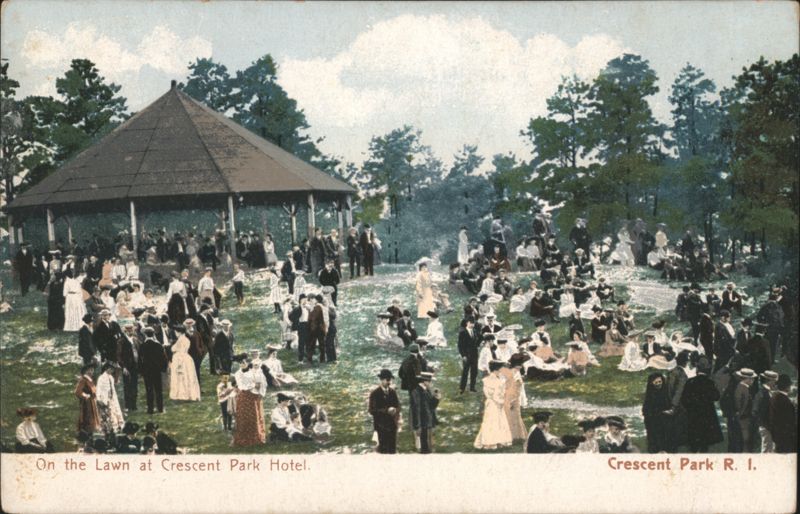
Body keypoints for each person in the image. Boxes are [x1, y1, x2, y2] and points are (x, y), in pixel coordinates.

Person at [681, 357, 723, 452]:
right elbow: (716, 397)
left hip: (693, 416)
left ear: (697, 369)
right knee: (705, 443)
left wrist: (690, 408)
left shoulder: (690, 382)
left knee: (693, 442)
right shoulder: (709, 383)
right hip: (707, 416)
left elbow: (683, 399)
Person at [474, 360, 513, 450]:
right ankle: (490, 442)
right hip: (494, 403)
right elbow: (495, 394)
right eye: (501, 368)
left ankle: (498, 440)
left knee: (499, 422)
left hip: (496, 402)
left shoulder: (498, 379)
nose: (502, 370)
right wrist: (502, 401)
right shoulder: (491, 380)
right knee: (492, 422)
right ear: (497, 369)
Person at [233, 360, 267, 446]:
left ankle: (257, 437)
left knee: (255, 415)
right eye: (240, 363)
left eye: (244, 362)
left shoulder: (253, 372)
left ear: (247, 363)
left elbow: (261, 383)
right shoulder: (238, 373)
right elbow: (241, 386)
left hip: (254, 396)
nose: (242, 364)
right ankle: (244, 437)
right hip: (244, 396)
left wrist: (260, 392)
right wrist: (253, 385)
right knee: (244, 416)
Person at [368, 369, 401, 454]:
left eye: (390, 380)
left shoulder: (392, 392)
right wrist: (386, 411)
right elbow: (372, 410)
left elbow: (398, 406)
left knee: (392, 449)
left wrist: (395, 410)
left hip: (392, 426)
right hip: (381, 427)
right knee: (383, 450)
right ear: (382, 380)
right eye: (387, 380)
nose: (389, 382)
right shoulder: (375, 394)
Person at [138, 326, 168, 415]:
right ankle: (160, 408)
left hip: (147, 371)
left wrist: (141, 371)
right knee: (158, 390)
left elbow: (140, 360)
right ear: (153, 334)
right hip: (157, 370)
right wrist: (163, 368)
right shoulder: (158, 345)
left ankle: (150, 409)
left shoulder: (142, 346)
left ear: (145, 335)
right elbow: (164, 358)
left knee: (149, 390)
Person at [409, 372, 440, 453]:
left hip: (428, 422)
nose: (431, 383)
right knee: (423, 446)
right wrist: (417, 426)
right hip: (422, 424)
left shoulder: (427, 390)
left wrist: (436, 398)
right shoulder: (416, 392)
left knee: (428, 445)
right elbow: (416, 410)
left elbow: (431, 406)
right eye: (430, 381)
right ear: (425, 381)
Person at [169, 327, 201, 401]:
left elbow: (180, 352)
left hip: (181, 359)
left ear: (179, 332)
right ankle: (186, 393)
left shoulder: (181, 340)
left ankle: (183, 394)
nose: (175, 334)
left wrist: (179, 364)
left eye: (176, 332)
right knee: (187, 377)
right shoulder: (185, 339)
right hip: (186, 358)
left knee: (182, 377)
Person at [501, 354, 528, 441]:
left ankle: (517, 435)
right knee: (510, 414)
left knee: (516, 415)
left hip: (515, 397)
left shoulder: (517, 373)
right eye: (519, 365)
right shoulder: (508, 373)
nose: (520, 367)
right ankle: (510, 435)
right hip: (509, 396)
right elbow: (504, 385)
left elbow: (520, 388)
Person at [768, 374, 797, 453]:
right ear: (787, 386)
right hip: (786, 437)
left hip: (777, 435)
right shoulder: (785, 401)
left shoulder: (775, 397)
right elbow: (790, 420)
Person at [730, 368, 756, 452]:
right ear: (747, 379)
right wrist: (740, 414)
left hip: (744, 417)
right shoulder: (742, 388)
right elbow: (739, 404)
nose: (753, 380)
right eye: (752, 379)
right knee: (745, 439)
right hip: (743, 418)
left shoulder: (743, 387)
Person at [752, 370, 778, 453]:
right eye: (774, 381)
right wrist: (764, 424)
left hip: (768, 425)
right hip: (765, 425)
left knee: (770, 448)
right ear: (769, 381)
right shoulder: (762, 393)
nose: (775, 383)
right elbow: (757, 411)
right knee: (766, 448)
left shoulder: (767, 392)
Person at [95, 362, 125, 435]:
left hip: (112, 398)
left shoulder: (111, 377)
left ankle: (117, 426)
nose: (111, 371)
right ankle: (108, 429)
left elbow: (113, 388)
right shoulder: (101, 378)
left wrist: (114, 397)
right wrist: (98, 398)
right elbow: (98, 388)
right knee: (106, 414)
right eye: (110, 369)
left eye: (112, 369)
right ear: (106, 368)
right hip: (105, 398)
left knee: (115, 412)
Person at [116, 323, 140, 412]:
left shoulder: (135, 340)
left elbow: (139, 351)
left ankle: (134, 405)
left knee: (134, 385)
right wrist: (123, 367)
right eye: (128, 330)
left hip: (135, 365)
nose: (130, 331)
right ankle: (127, 405)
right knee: (127, 386)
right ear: (125, 331)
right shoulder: (121, 341)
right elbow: (119, 355)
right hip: (127, 366)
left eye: (131, 329)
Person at [74, 364, 100, 435]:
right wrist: (86, 396)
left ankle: (90, 433)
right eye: (89, 370)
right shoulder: (83, 380)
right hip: (86, 403)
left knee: (92, 419)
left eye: (92, 370)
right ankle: (85, 434)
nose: (91, 372)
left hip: (92, 402)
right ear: (85, 371)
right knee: (87, 419)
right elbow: (77, 391)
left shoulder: (90, 380)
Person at [458, 318, 481, 394]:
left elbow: (481, 337)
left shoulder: (474, 331)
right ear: (467, 323)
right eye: (471, 323)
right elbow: (460, 345)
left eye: (473, 323)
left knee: (474, 371)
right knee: (465, 371)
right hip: (467, 355)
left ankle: (472, 387)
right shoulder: (463, 332)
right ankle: (462, 388)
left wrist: (477, 344)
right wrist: (463, 355)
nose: (472, 324)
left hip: (474, 354)